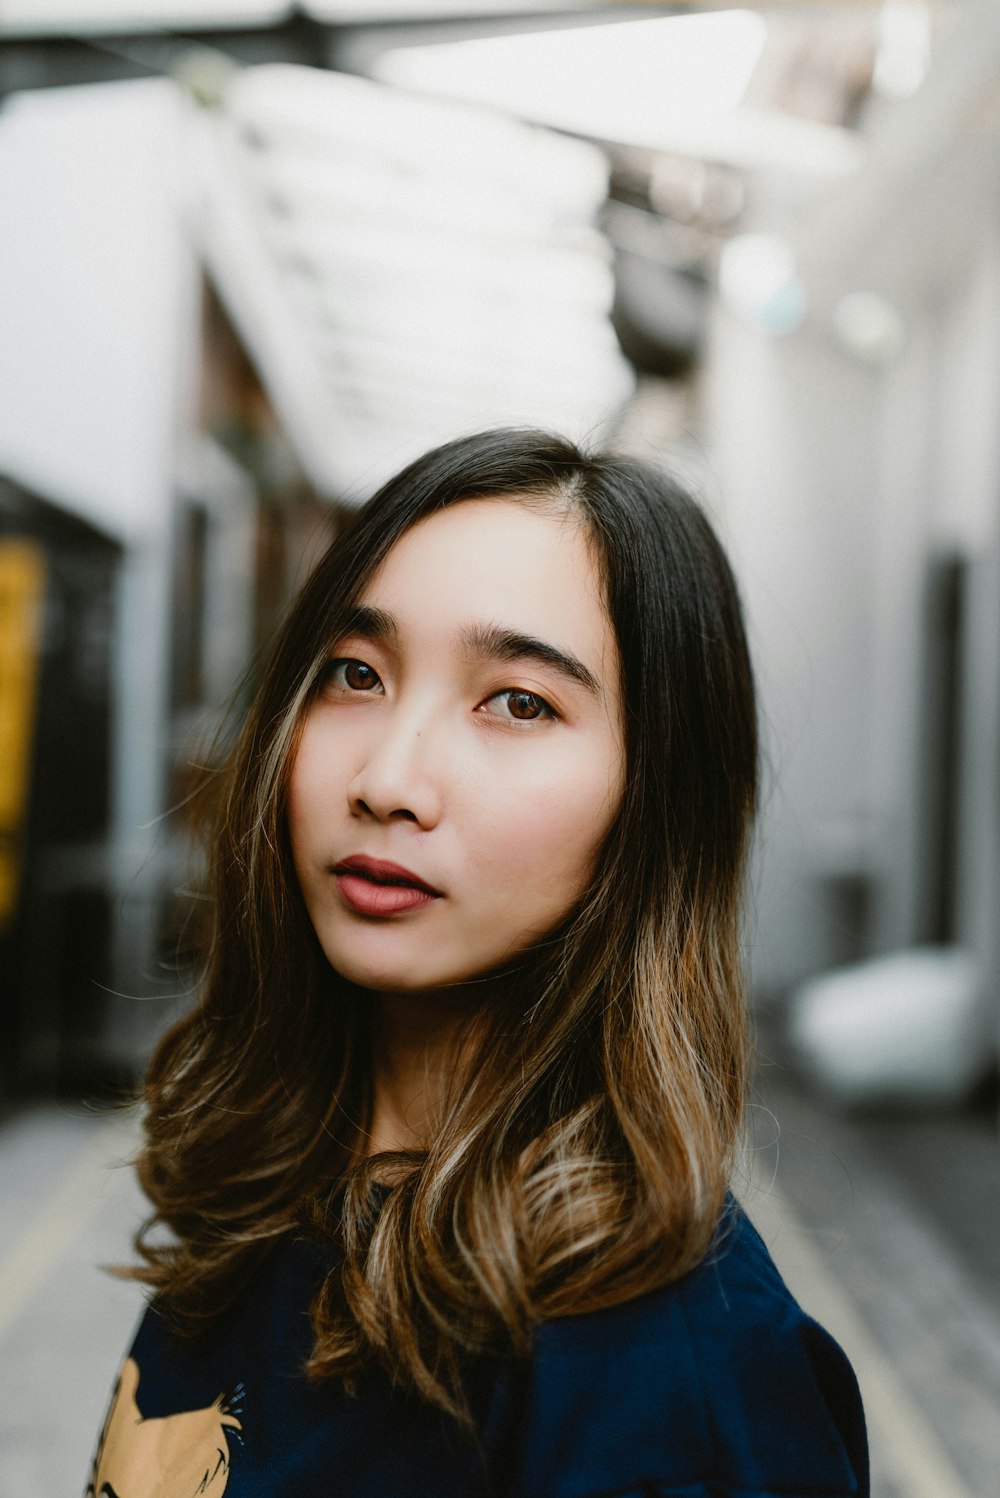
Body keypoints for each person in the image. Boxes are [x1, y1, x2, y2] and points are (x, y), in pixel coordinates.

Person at [88, 429, 868, 1497]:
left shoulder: (666, 1382)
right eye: (354, 674)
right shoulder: (270, 1188)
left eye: (518, 701)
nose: (389, 778)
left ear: (657, 802)